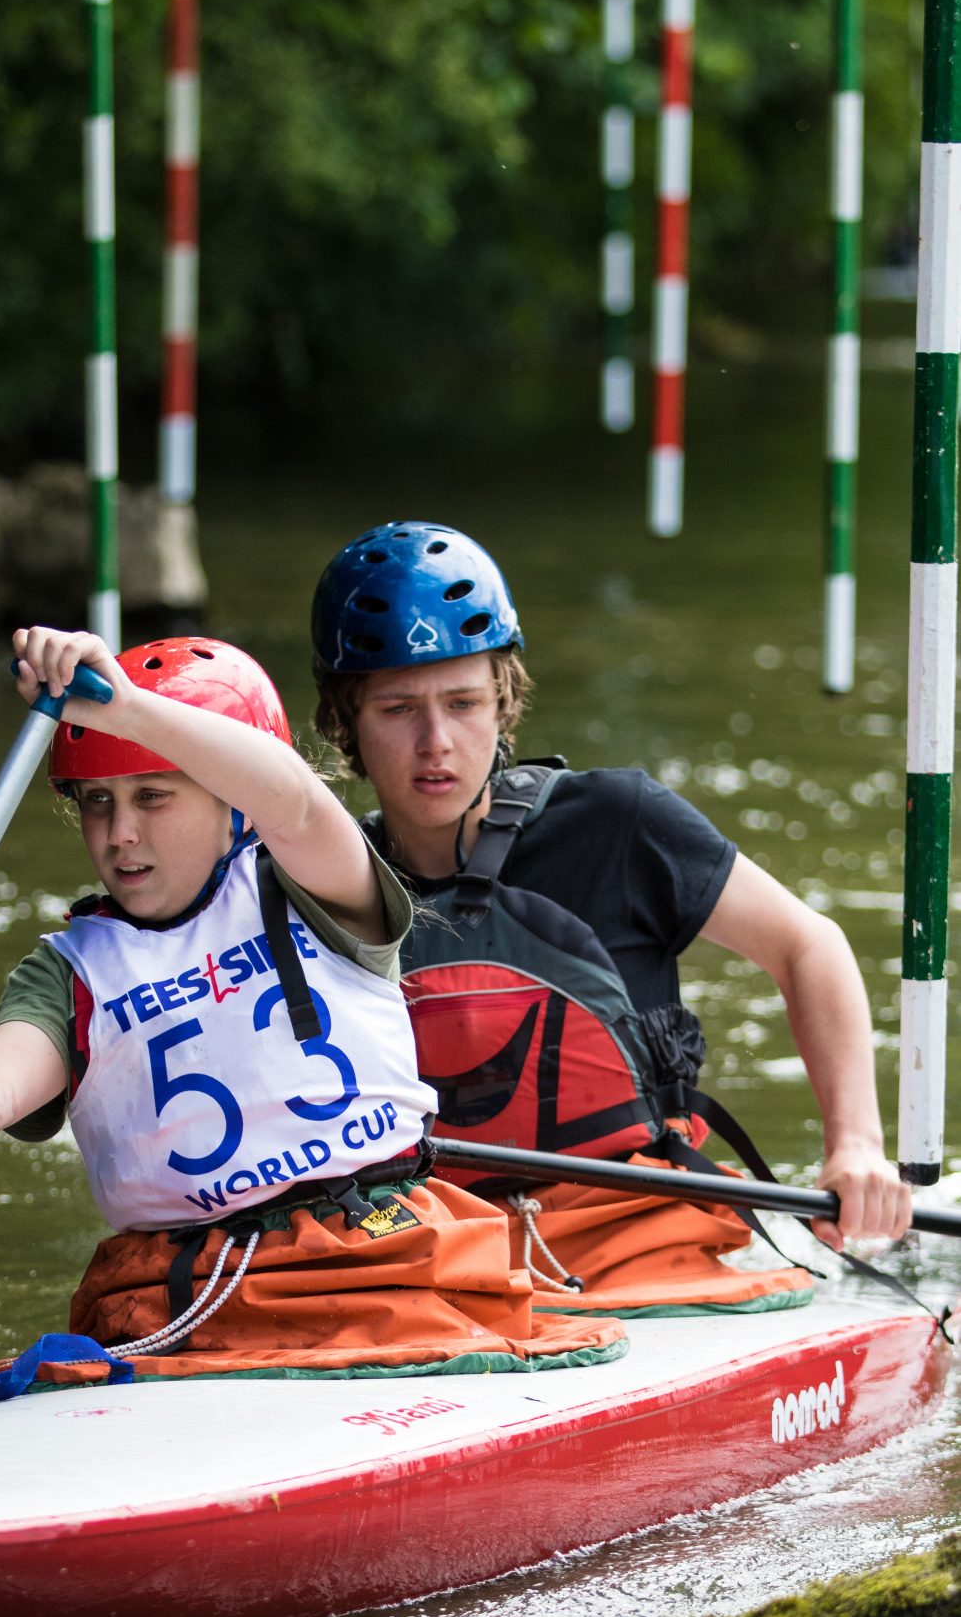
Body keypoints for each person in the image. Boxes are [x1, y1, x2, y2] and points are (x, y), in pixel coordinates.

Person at [0, 626, 623, 1382]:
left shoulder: (313, 879)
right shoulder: (70, 970)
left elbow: (295, 799)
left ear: (230, 801)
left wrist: (124, 707)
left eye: (152, 797)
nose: (118, 832)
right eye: (98, 802)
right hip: (186, 1285)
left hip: (379, 1249)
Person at [309, 520, 912, 1318]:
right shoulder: (316, 882)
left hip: (638, 1235)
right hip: (433, 1256)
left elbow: (807, 946)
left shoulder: (618, 822)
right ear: (344, 722)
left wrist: (855, 1147)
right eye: (397, 709)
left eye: (463, 703)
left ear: (503, 699)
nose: (436, 743)